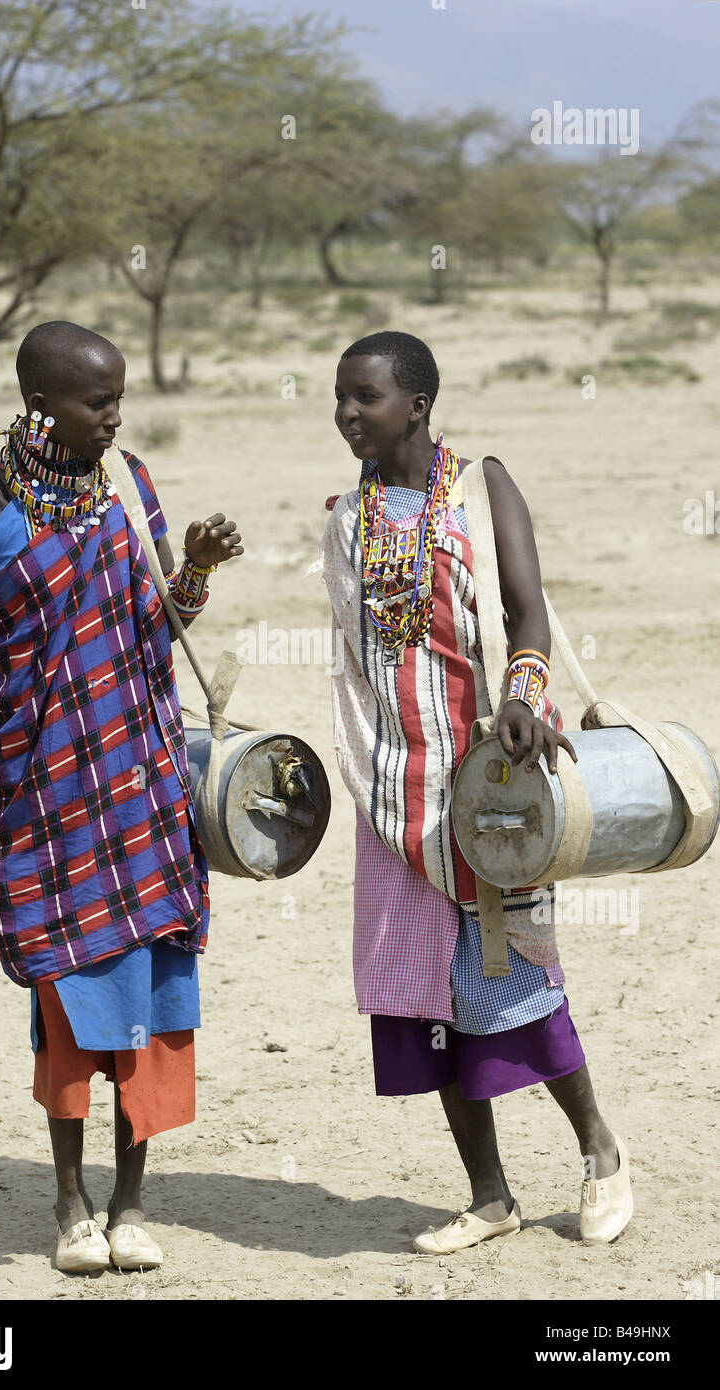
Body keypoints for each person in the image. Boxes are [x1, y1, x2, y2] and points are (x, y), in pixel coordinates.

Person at [0, 321, 243, 1274]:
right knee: (66, 997)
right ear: (42, 402)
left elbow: (160, 617)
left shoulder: (130, 485)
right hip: (43, 793)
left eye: (118, 399)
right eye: (98, 402)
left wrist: (201, 570)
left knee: (148, 987)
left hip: (139, 781)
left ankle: (132, 1205)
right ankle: (68, 1205)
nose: (114, 416)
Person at [322, 330, 632, 1253]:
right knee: (429, 1000)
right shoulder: (344, 517)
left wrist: (524, 700)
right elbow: (354, 661)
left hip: (489, 788)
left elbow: (526, 611)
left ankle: (601, 1154)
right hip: (394, 791)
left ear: (415, 404)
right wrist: (377, 768)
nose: (345, 414)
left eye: (363, 397)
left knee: (516, 978)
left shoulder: (479, 487)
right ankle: (490, 1195)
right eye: (338, 397)